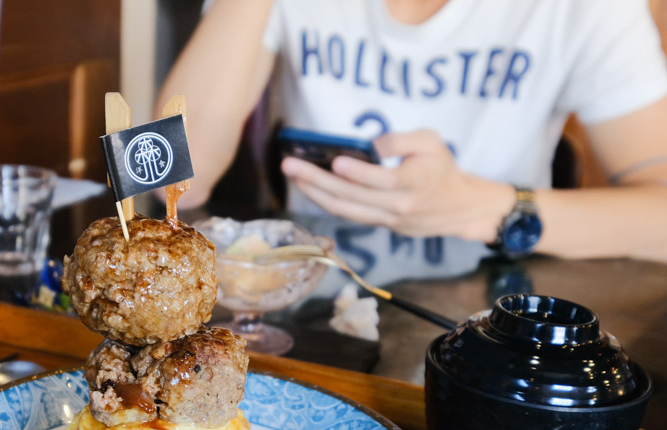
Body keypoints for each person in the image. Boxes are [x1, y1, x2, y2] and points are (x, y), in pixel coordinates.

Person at [156, 0, 667, 266]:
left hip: (498, 317)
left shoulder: (587, 10)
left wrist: (483, 208)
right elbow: (173, 177)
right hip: (318, 307)